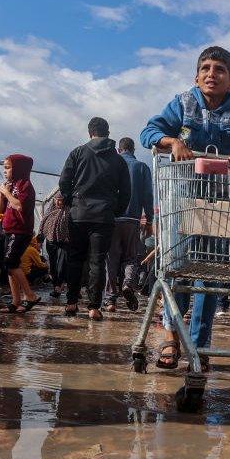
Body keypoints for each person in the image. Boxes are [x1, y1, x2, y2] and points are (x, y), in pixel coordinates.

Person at [139, 45, 230, 369]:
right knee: (178, 269)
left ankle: (199, 345)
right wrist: (172, 142)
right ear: (197, 76)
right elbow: (148, 132)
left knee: (209, 277)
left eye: (219, 70)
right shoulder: (183, 103)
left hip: (219, 204)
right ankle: (172, 337)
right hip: (181, 200)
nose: (212, 74)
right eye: (206, 68)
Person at [59, 117, 132, 320]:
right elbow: (126, 191)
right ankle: (94, 307)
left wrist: (69, 201)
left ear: (90, 133)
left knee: (75, 259)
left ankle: (72, 302)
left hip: (79, 215)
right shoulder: (118, 160)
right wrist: (114, 211)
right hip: (104, 217)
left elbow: (64, 181)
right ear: (108, 133)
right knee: (97, 262)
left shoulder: (78, 153)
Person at [104, 137, 153, 313]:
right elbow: (148, 195)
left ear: (119, 149)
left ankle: (110, 301)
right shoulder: (141, 167)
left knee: (111, 259)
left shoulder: (111, 165)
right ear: (133, 150)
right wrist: (149, 219)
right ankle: (128, 285)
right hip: (132, 220)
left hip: (112, 219)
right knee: (131, 258)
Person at [0, 154, 41, 313]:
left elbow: (19, 206)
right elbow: (0, 209)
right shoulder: (13, 184)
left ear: (18, 169)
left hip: (20, 230)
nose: (5, 171)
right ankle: (15, 300)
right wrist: (1, 193)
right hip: (9, 229)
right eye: (4, 167)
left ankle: (30, 295)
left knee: (10, 263)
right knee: (11, 266)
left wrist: (7, 192)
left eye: (8, 168)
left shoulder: (25, 185)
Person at [40, 194, 70, 298]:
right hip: (50, 241)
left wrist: (68, 236)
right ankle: (56, 286)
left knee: (61, 264)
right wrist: (41, 239)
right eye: (56, 200)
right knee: (52, 265)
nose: (58, 202)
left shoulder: (68, 211)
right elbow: (43, 225)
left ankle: (59, 287)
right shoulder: (49, 211)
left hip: (64, 242)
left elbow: (72, 226)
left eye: (60, 200)